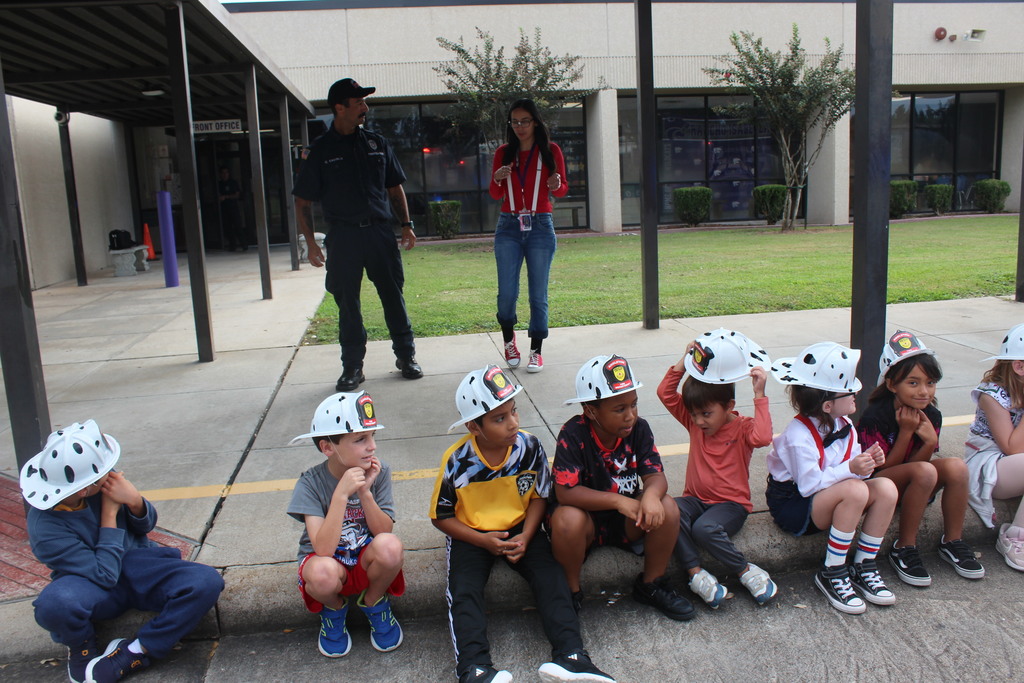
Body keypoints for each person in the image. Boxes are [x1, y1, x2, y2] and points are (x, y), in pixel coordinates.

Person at [429, 365, 615, 683]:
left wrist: (527, 536)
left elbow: (540, 496)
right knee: (464, 591)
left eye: (514, 412)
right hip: (472, 534)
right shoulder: (457, 460)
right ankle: (474, 668)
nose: (513, 423)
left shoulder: (529, 446)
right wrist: (483, 541)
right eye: (500, 418)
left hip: (521, 526)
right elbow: (441, 516)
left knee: (552, 577)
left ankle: (572, 657)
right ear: (474, 426)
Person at [20, 420, 224, 683]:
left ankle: (136, 651)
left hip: (141, 565)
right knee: (54, 606)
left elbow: (146, 524)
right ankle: (82, 649)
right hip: (92, 581)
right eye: (98, 477)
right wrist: (109, 512)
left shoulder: (99, 480)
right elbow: (104, 574)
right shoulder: (44, 527)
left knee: (206, 582)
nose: (108, 475)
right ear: (83, 487)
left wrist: (135, 501)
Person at [293, 77, 422, 392]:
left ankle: (406, 357)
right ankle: (352, 366)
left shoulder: (377, 143)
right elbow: (302, 201)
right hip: (344, 238)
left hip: (379, 233)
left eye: (365, 102)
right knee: (347, 303)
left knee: (393, 296)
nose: (365, 108)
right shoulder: (321, 151)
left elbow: (395, 187)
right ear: (340, 108)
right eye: (359, 103)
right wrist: (310, 243)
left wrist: (406, 225)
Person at [549, 354, 694, 621]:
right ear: (591, 411)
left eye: (634, 405)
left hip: (628, 520)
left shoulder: (639, 429)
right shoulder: (573, 433)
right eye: (619, 409)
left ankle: (651, 584)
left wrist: (650, 495)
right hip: (586, 521)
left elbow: (656, 475)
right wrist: (618, 501)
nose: (630, 416)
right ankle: (569, 592)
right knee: (565, 518)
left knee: (668, 507)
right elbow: (565, 492)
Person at [766, 342, 898, 614]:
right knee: (855, 491)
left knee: (886, 488)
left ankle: (863, 566)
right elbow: (809, 485)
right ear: (827, 405)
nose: (855, 396)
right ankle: (832, 571)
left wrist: (869, 464)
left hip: (831, 495)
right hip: (795, 506)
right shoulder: (798, 436)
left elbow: (850, 470)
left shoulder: (844, 424)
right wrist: (852, 468)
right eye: (849, 392)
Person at [656, 329, 778, 609]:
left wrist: (759, 394)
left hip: (730, 505)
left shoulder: (743, 427)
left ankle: (746, 571)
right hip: (695, 500)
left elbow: (762, 438)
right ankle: (696, 574)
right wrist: (684, 361)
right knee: (668, 511)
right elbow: (665, 392)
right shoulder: (693, 422)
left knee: (704, 530)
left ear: (729, 406)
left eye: (706, 413)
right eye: (695, 413)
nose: (698, 421)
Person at [858, 331, 984, 586]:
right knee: (924, 472)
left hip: (916, 483)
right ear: (892, 384)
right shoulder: (875, 416)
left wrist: (928, 441)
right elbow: (878, 471)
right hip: (878, 488)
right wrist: (905, 432)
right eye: (913, 383)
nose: (924, 391)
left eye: (930, 382)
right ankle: (903, 547)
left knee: (956, 467)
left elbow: (923, 463)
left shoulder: (932, 415)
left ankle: (953, 541)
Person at [287, 391, 405, 658]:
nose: (372, 446)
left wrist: (365, 492)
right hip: (329, 563)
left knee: (390, 547)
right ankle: (334, 609)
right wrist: (341, 494)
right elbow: (324, 550)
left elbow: (383, 532)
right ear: (328, 447)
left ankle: (374, 601)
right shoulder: (310, 483)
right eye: (361, 439)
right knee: (321, 574)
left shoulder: (379, 470)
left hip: (364, 559)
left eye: (373, 436)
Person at [488, 99, 568, 374]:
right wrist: (498, 177)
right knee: (507, 294)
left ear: (535, 122)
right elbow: (496, 194)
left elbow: (560, 189)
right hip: (508, 226)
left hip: (540, 225)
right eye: (515, 122)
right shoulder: (503, 152)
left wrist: (556, 183)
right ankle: (509, 342)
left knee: (538, 294)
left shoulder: (550, 150)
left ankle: (536, 350)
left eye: (525, 121)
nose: (520, 126)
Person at [963, 323, 1024, 571]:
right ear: (1019, 366)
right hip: (989, 468)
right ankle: (1015, 537)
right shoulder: (992, 395)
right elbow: (1012, 447)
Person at [217, 166, 246, 251]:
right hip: (224, 209)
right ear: (220, 174)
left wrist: (226, 197)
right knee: (228, 228)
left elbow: (237, 195)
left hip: (233, 208)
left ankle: (244, 244)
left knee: (238, 226)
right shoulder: (219, 184)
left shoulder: (233, 183)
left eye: (226, 172)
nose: (225, 174)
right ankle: (232, 246)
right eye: (223, 173)